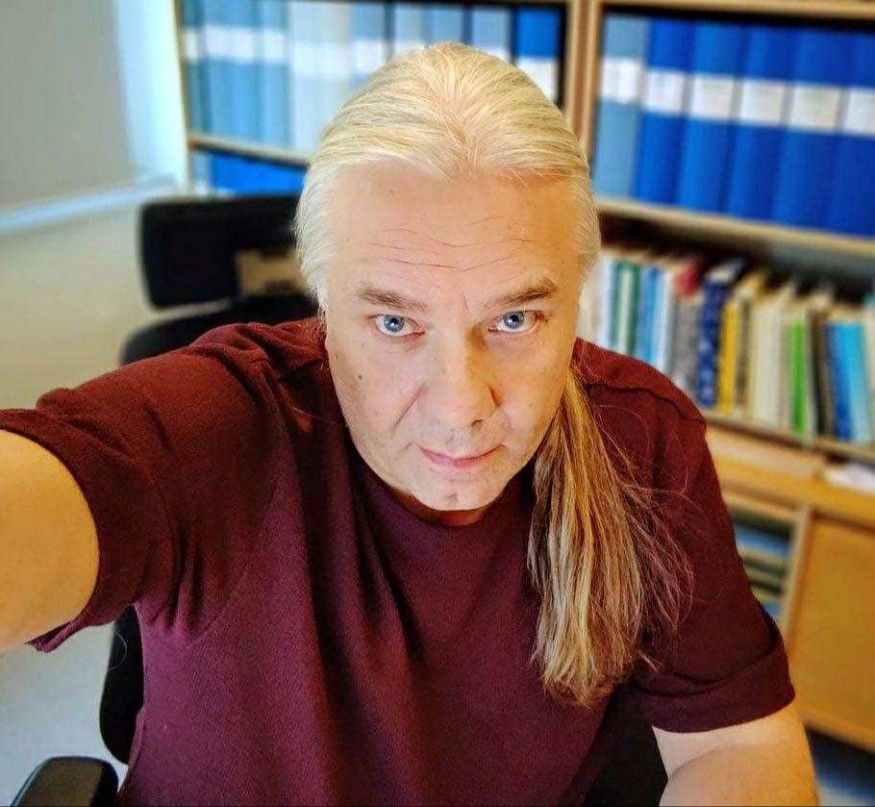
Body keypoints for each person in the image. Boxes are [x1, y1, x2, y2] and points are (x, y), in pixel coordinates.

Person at [0, 43, 817, 805]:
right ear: (323, 305)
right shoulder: (216, 426)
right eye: (394, 323)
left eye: (514, 319)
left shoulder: (641, 441)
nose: (459, 406)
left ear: (579, 300)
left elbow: (738, 741)